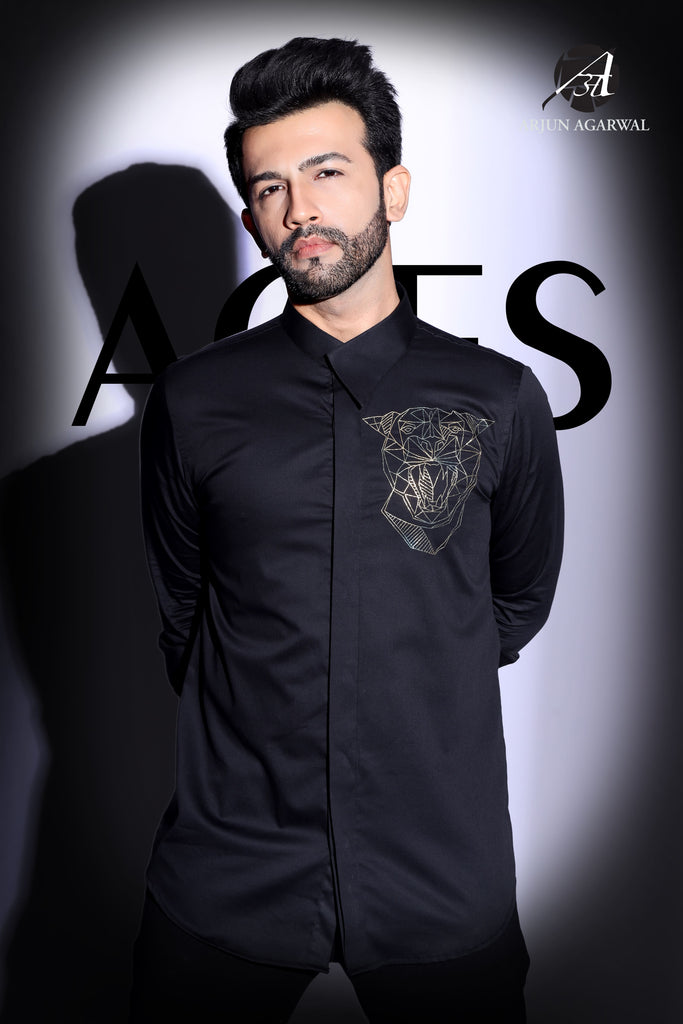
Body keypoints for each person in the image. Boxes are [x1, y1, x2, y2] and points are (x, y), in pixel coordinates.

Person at [130, 36, 564, 1023]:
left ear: (391, 189)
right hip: (229, 866)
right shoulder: (194, 401)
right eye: (269, 187)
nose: (299, 209)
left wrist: (412, 678)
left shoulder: (498, 397)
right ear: (251, 219)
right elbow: (183, 612)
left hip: (438, 870)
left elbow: (514, 601)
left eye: (326, 172)